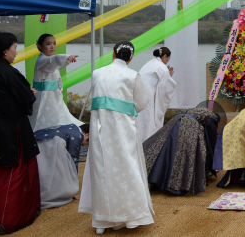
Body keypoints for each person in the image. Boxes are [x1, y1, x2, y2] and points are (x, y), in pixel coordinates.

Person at [78, 41, 154, 234]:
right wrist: (126, 110)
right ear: (131, 57)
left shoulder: (97, 73)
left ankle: (101, 220)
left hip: (99, 129)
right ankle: (127, 217)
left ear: (113, 54)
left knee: (101, 169)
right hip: (123, 129)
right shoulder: (132, 75)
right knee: (126, 167)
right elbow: (143, 102)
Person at [0, 31, 41, 234]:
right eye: (14, 47)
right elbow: (24, 98)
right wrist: (29, 93)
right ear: (5, 50)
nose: (16, 52)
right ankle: (8, 219)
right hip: (10, 130)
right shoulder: (8, 72)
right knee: (14, 174)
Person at [143, 107, 220, 196]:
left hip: (172, 123)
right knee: (183, 155)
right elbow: (211, 137)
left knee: (165, 151)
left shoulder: (197, 110)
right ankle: (177, 187)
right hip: (188, 125)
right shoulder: (213, 117)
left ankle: (156, 182)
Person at [30, 34, 83, 132]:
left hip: (55, 97)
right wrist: (67, 57)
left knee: (59, 120)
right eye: (48, 44)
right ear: (40, 46)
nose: (52, 46)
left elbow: (53, 61)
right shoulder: (42, 60)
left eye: (54, 43)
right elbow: (53, 60)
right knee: (43, 124)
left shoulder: (47, 60)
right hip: (44, 98)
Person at [33, 123, 90, 209]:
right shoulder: (77, 135)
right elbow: (73, 159)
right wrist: (74, 187)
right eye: (87, 142)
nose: (84, 145)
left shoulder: (71, 127)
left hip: (36, 140)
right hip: (45, 145)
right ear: (87, 134)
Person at [137, 47, 177, 142]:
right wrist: (170, 76)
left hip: (139, 94)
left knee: (141, 120)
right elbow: (166, 87)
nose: (167, 61)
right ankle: (149, 145)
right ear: (164, 56)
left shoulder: (149, 64)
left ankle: (140, 143)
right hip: (149, 96)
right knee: (150, 120)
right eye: (168, 58)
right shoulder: (161, 67)